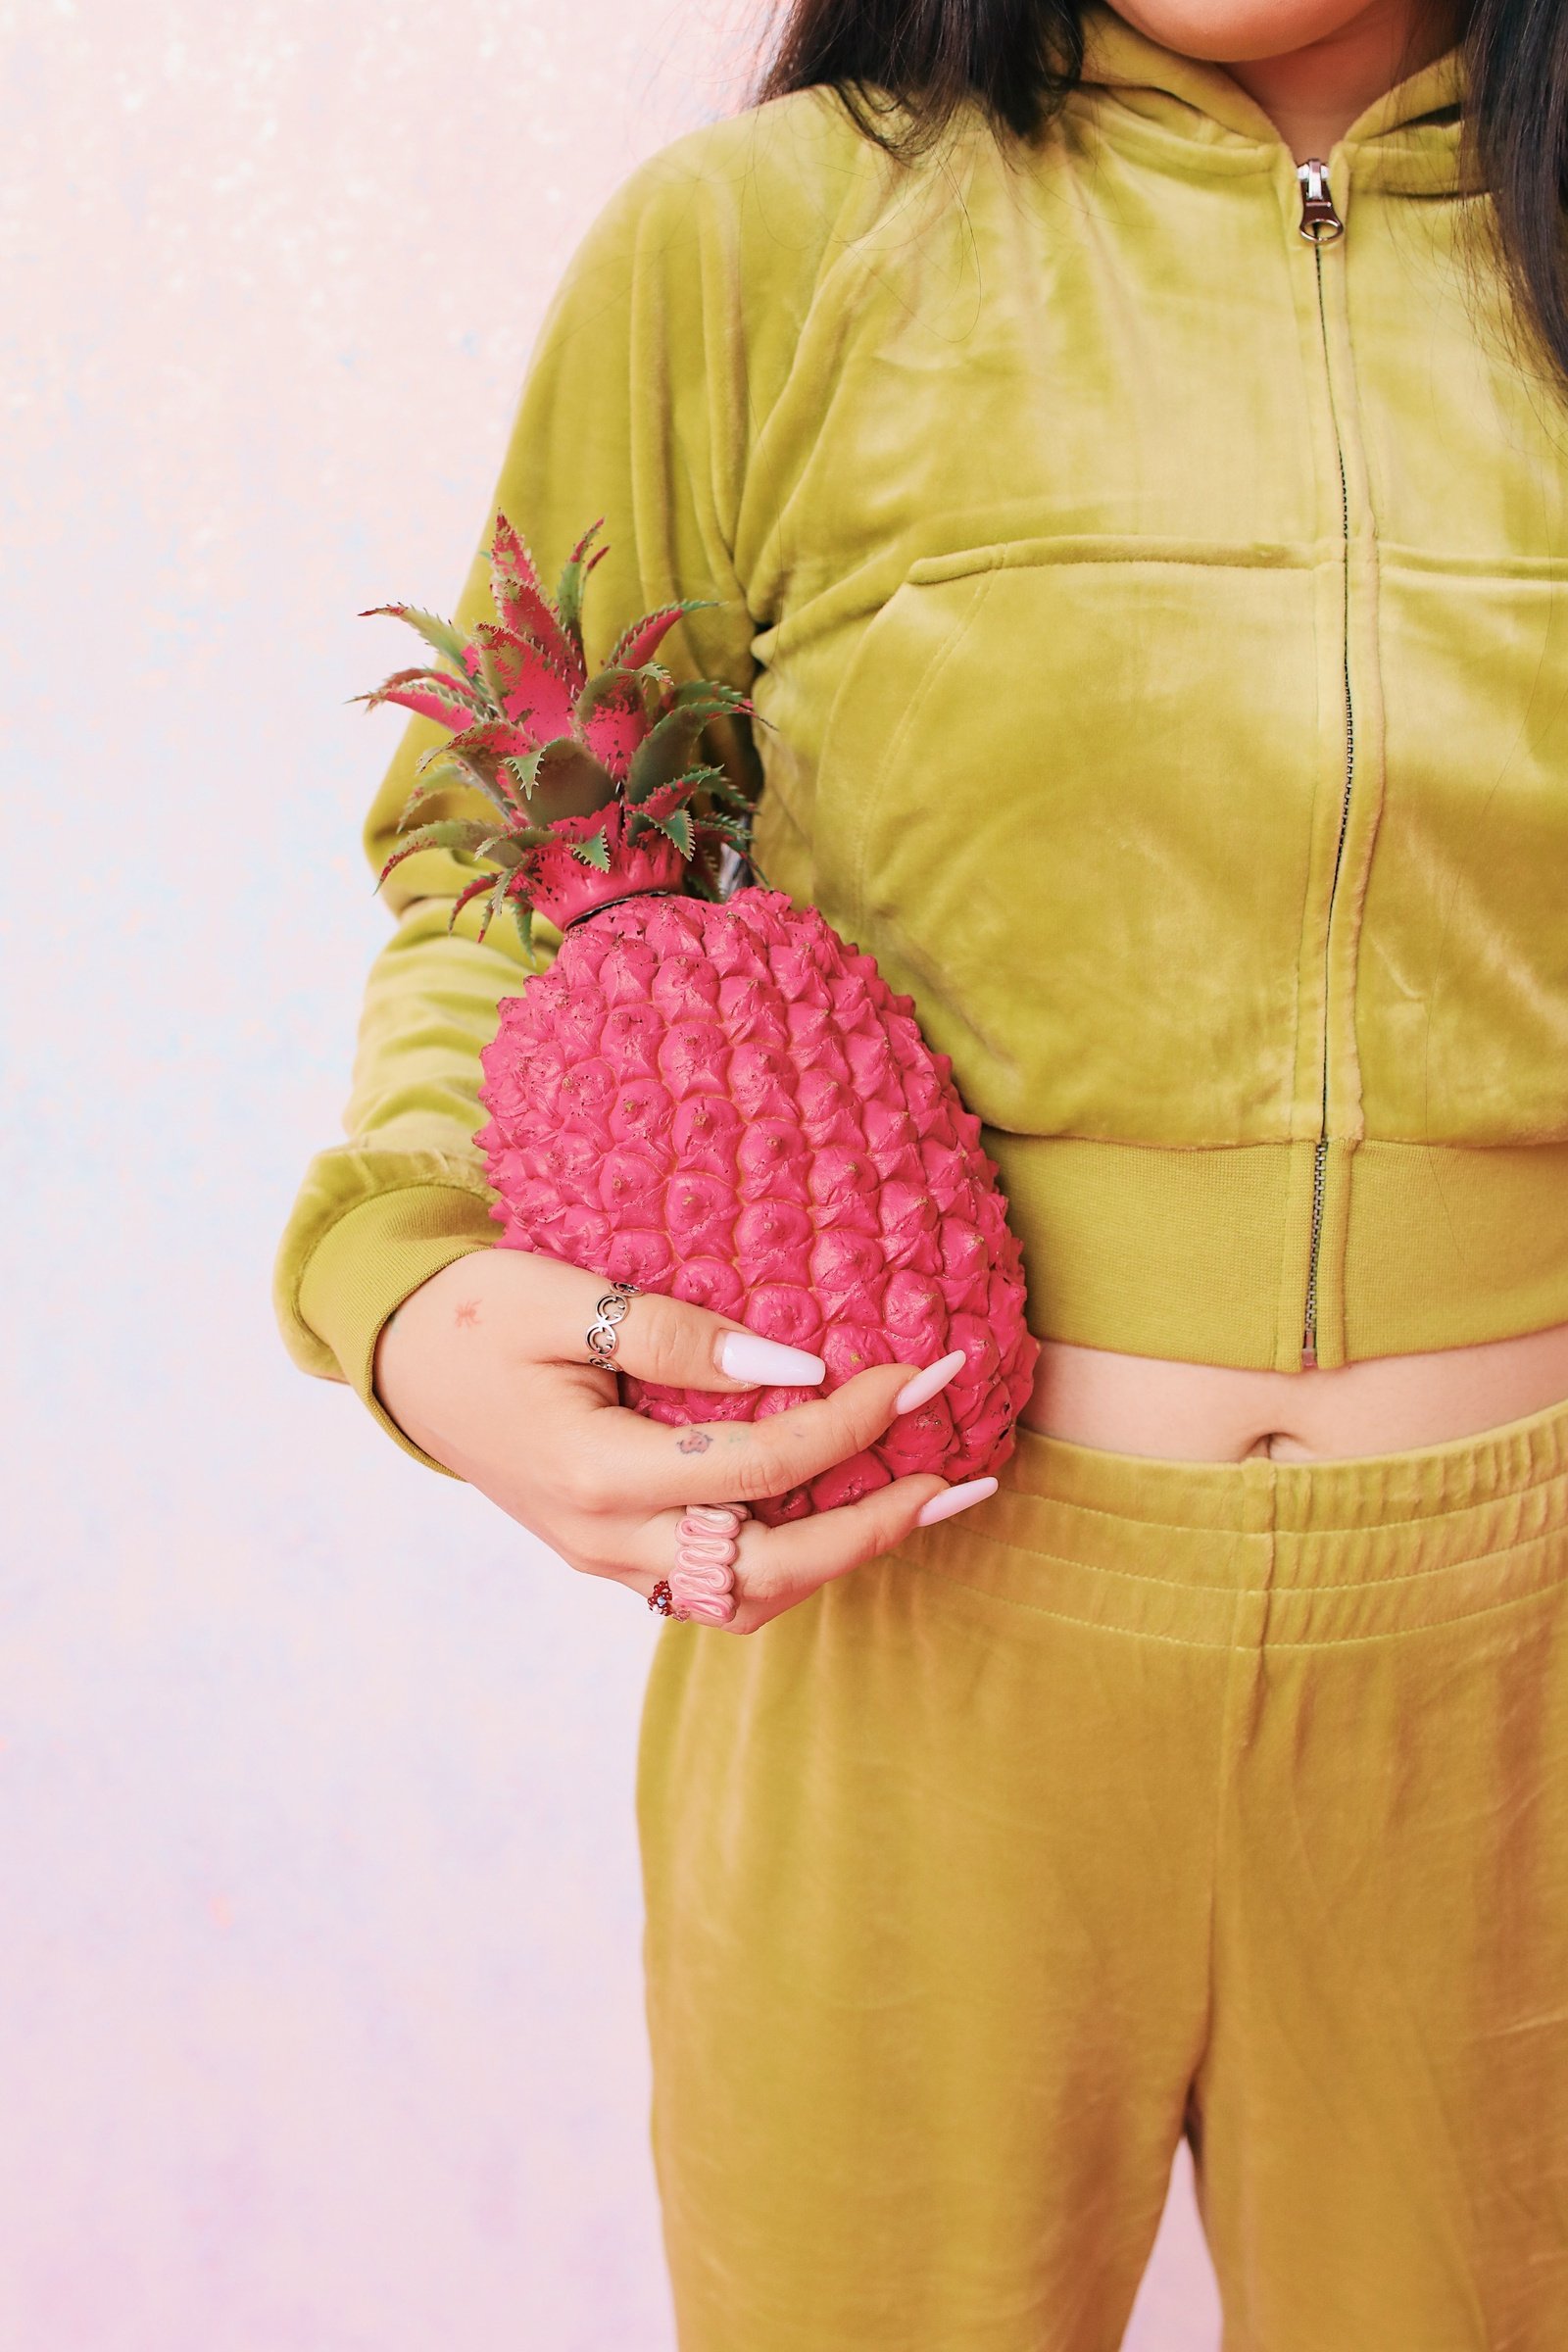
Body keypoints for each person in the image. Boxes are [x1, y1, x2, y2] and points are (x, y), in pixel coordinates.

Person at [274, 0, 1568, 2340]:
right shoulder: (767, 236)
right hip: (906, 1617)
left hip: (1522, 1693)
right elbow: (511, 850)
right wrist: (411, 1280)